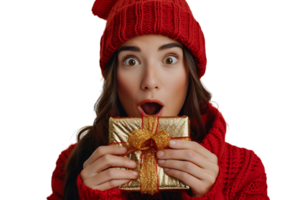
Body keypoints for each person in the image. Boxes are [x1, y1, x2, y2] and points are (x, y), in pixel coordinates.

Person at [45, 0, 271, 200]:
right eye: (131, 61)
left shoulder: (246, 169)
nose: (150, 81)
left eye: (170, 59)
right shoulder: (71, 164)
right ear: (114, 77)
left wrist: (209, 196)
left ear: (189, 74)